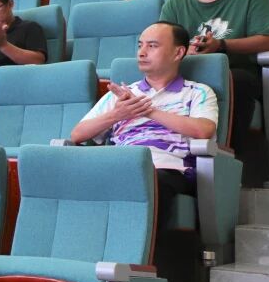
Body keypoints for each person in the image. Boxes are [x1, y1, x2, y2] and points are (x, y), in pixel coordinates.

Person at [70, 22, 218, 232]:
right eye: (140, 45)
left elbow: (203, 130)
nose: (141, 52)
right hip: (121, 163)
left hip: (168, 169)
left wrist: (148, 111)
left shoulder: (197, 92)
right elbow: (77, 135)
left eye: (152, 46)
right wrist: (117, 114)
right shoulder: (121, 95)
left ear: (178, 53)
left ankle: (138, 250)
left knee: (147, 180)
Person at [159, 0, 269, 145]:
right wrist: (186, 51)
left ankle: (226, 154)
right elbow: (163, 44)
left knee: (236, 81)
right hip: (189, 70)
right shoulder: (176, 2)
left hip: (237, 71)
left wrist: (222, 44)